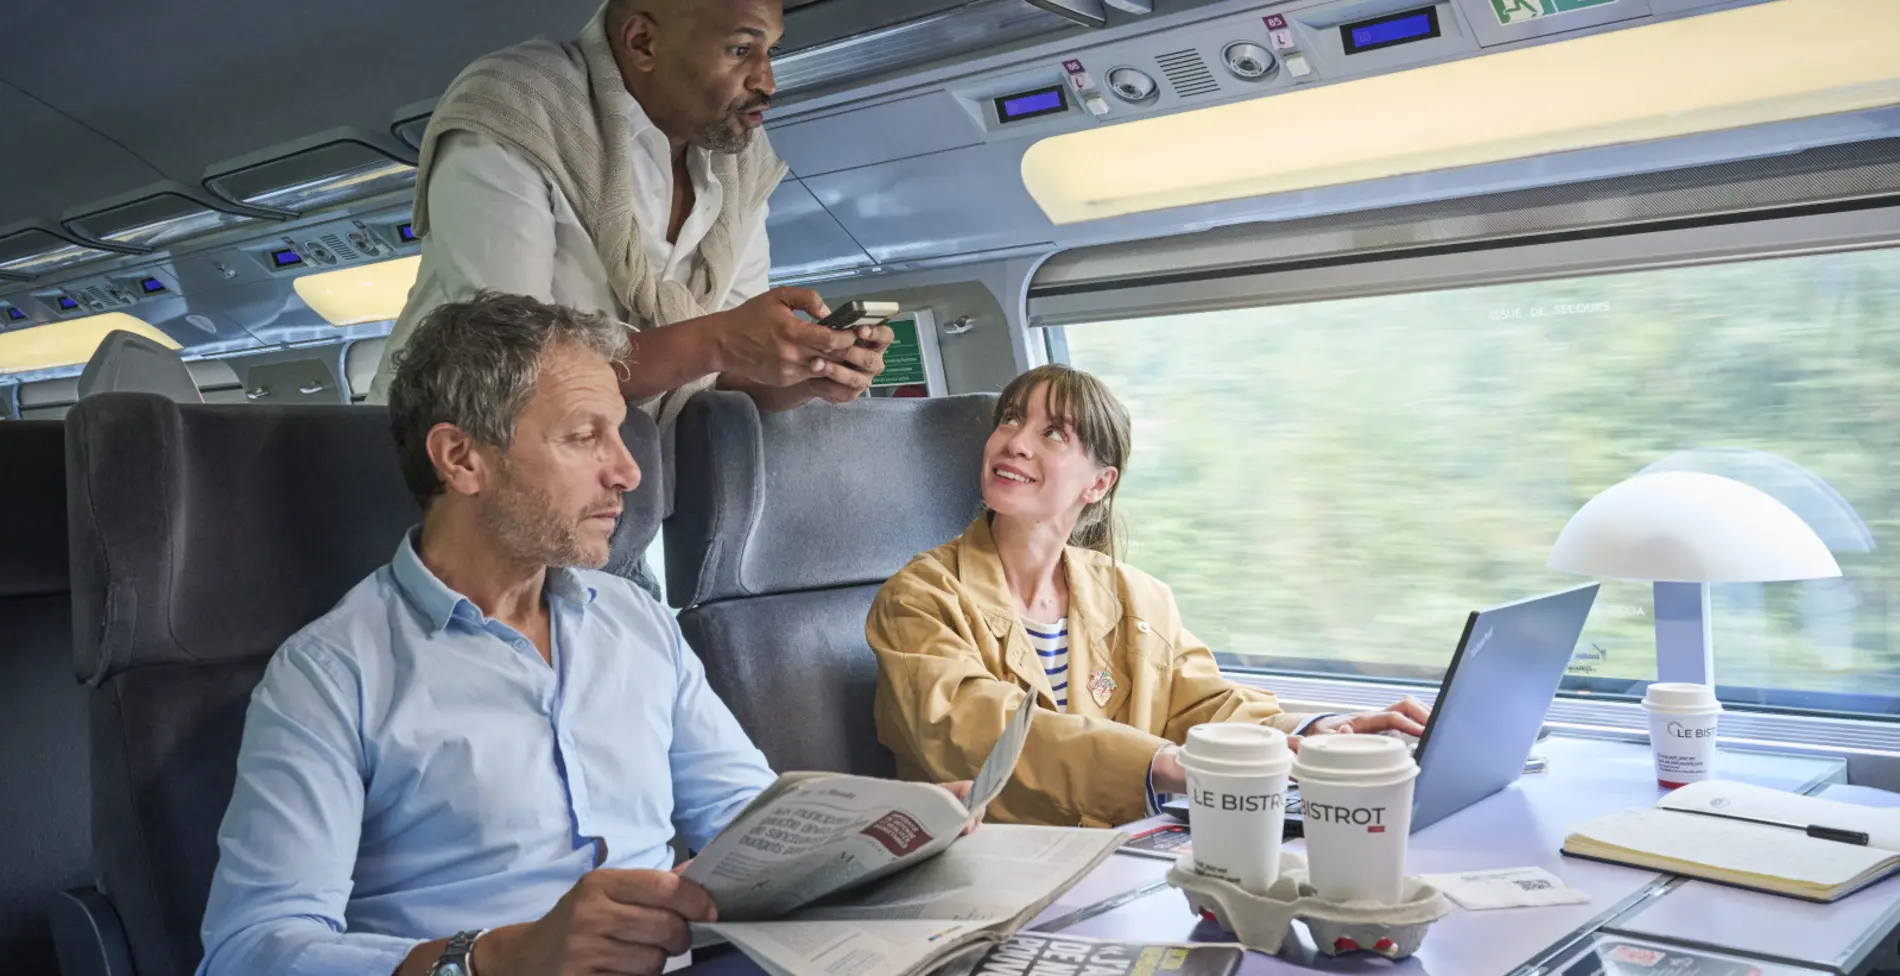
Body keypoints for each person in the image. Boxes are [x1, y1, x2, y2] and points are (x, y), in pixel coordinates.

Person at [197, 293, 968, 976]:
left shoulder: (631, 619)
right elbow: (250, 949)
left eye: (621, 435)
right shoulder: (331, 675)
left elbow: (742, 816)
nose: (628, 472)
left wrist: (876, 832)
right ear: (462, 457)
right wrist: (496, 958)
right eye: (583, 437)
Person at [868, 364, 1432, 828]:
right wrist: (1161, 763)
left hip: (1111, 853)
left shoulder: (1135, 596)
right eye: (1011, 420)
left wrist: (1311, 734)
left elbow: (1203, 705)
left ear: (1099, 484)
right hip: (993, 858)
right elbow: (975, 728)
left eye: (1053, 434)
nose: (1015, 442)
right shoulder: (920, 596)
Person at [370, 0, 890, 436]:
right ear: (643, 42)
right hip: (437, 473)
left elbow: (718, 374)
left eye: (769, 50)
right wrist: (722, 338)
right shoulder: (520, 111)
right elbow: (507, 367)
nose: (767, 81)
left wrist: (805, 371)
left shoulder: (740, 163)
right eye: (740, 49)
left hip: (604, 481)